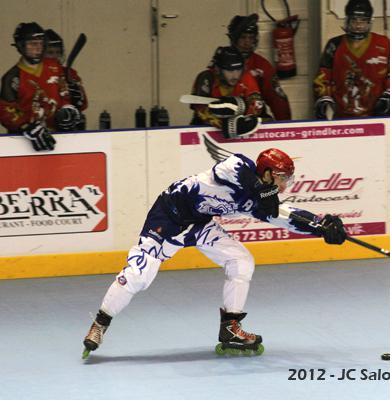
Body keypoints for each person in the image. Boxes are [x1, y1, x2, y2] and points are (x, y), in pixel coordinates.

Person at [82, 148, 347, 358]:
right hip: (168, 216)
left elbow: (285, 216)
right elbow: (233, 173)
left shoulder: (259, 200)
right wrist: (264, 193)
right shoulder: (238, 166)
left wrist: (319, 225)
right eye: (282, 179)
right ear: (267, 173)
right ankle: (100, 324)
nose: (285, 186)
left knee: (241, 261)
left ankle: (230, 327)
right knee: (139, 275)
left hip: (200, 224)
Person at [313, 0, 390, 119]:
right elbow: (322, 77)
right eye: (354, 20)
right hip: (341, 115)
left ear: (369, 22)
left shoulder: (383, 43)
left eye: (363, 21)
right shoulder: (334, 45)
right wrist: (324, 97)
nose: (358, 25)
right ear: (347, 21)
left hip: (377, 113)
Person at [0, 22, 82, 151]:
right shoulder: (12, 77)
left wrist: (69, 108)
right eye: (33, 44)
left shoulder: (54, 66)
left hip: (59, 138)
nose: (38, 48)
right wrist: (25, 126)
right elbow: (5, 110)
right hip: (23, 143)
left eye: (41, 43)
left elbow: (64, 95)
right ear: (21, 46)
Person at [227, 13, 291, 121]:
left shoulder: (261, 65)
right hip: (224, 120)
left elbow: (277, 100)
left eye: (251, 38)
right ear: (234, 38)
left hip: (255, 119)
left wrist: (285, 126)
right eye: (243, 37)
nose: (247, 42)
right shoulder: (221, 61)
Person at [190, 45, 264, 138]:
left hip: (240, 123)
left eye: (238, 70)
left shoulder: (246, 77)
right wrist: (226, 125)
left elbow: (257, 104)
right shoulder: (206, 78)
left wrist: (243, 108)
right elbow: (200, 109)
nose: (235, 76)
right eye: (229, 71)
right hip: (204, 128)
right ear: (217, 69)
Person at [44, 28, 88, 126]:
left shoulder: (70, 73)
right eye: (50, 52)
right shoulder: (35, 75)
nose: (55, 56)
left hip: (67, 127)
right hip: (41, 128)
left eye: (58, 52)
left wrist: (77, 98)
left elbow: (83, 105)